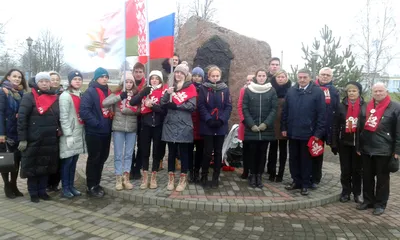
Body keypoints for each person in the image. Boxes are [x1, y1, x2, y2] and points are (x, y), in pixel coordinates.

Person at [356, 82, 400, 216]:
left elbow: (398, 132)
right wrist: (358, 146)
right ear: (372, 92)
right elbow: (359, 129)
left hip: (384, 149)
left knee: (382, 179)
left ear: (386, 91)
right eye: (375, 91)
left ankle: (380, 204)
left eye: (381, 91)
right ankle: (368, 200)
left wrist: (397, 151)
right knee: (367, 177)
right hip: (366, 148)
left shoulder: (395, 108)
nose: (378, 93)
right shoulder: (365, 107)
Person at [281, 69, 326, 196]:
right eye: (300, 77)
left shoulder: (317, 92)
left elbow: (322, 115)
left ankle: (305, 184)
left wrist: (318, 133)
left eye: (304, 77)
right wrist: (284, 128)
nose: (302, 80)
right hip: (293, 132)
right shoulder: (291, 91)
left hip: (309, 133)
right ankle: (296, 181)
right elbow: (285, 111)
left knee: (306, 160)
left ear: (310, 78)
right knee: (294, 159)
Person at [17, 72, 60, 203]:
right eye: (41, 81)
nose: (45, 83)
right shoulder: (28, 97)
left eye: (47, 81)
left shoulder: (54, 97)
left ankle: (42, 191)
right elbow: (22, 119)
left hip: (50, 139)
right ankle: (33, 192)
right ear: (36, 83)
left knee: (45, 166)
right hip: (34, 138)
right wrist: (23, 138)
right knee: (33, 167)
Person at [161, 64, 197, 192]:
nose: (178, 75)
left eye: (181, 73)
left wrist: (176, 106)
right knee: (171, 153)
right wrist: (167, 94)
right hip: (170, 123)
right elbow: (162, 102)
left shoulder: (191, 88)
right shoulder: (170, 86)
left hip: (184, 124)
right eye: (177, 72)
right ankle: (171, 178)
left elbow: (192, 106)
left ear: (185, 75)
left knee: (184, 153)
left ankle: (183, 178)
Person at [103, 72, 139, 191]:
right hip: (118, 127)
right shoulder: (117, 93)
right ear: (122, 83)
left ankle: (126, 177)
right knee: (118, 154)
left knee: (128, 154)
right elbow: (104, 103)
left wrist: (130, 111)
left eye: (130, 82)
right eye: (126, 82)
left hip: (131, 128)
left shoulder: (136, 95)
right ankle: (118, 178)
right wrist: (120, 97)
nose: (128, 84)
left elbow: (139, 110)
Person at [80, 67, 112, 198]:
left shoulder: (108, 92)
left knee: (102, 158)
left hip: (106, 131)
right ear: (96, 78)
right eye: (102, 76)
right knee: (94, 159)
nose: (104, 78)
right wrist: (97, 123)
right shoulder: (90, 92)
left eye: (106, 76)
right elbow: (84, 111)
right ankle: (90, 186)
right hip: (95, 132)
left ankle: (97, 183)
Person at [242, 69, 277, 188]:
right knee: (252, 153)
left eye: (263, 76)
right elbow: (245, 108)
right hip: (252, 128)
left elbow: (274, 109)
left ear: (266, 77)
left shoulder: (271, 90)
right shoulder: (249, 90)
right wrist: (251, 124)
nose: (261, 78)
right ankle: (252, 175)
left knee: (262, 154)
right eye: (259, 76)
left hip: (265, 129)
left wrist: (266, 124)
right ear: (256, 77)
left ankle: (259, 176)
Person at [198, 66, 232, 188]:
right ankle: (204, 176)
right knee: (207, 152)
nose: (215, 78)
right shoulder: (203, 88)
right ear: (209, 76)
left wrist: (222, 119)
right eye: (213, 76)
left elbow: (228, 106)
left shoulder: (225, 89)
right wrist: (208, 119)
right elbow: (201, 105)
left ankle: (215, 178)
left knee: (218, 152)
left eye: (217, 76)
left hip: (220, 126)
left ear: (220, 76)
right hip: (208, 125)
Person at [130, 70, 165, 189]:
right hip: (145, 125)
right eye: (152, 78)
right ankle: (145, 177)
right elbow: (132, 102)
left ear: (160, 80)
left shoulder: (164, 91)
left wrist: (153, 106)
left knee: (156, 152)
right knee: (145, 151)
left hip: (158, 125)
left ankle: (153, 176)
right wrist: (141, 94)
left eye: (156, 78)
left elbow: (165, 110)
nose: (154, 80)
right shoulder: (145, 91)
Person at [331, 81, 364, 204]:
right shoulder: (341, 106)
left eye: (354, 91)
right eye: (349, 91)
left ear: (359, 92)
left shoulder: (364, 106)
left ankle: (357, 193)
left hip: (358, 143)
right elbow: (335, 125)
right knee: (345, 169)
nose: (351, 93)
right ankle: (345, 192)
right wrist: (334, 142)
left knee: (357, 170)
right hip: (344, 142)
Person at [58, 70, 86, 198]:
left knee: (74, 161)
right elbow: (63, 117)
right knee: (67, 162)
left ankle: (71, 186)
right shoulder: (65, 96)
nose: (78, 81)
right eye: (75, 79)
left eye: (79, 79)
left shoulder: (80, 94)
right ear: (70, 81)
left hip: (78, 132)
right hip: (70, 134)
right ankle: (65, 187)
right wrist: (68, 134)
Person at [0, 69, 27, 198]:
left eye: (19, 77)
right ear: (8, 77)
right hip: (5, 131)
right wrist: (1, 133)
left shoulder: (20, 93)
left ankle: (14, 184)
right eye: (14, 76)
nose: (17, 79)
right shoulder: (3, 91)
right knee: (6, 159)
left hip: (17, 130)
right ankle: (6, 185)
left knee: (16, 160)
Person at [312, 67, 340, 188]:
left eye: (328, 75)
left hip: (325, 127)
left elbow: (336, 109)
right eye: (323, 74)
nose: (325, 77)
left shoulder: (334, 91)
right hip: (312, 126)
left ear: (331, 77)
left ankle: (315, 178)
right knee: (308, 153)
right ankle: (306, 175)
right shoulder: (312, 88)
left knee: (318, 153)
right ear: (318, 75)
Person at [268, 70, 291, 182]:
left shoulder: (291, 91)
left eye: (283, 77)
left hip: (284, 124)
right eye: (279, 77)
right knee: (272, 149)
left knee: (283, 150)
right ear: (275, 78)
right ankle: (271, 172)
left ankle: (280, 173)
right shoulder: (270, 89)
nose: (281, 79)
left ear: (286, 78)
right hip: (272, 123)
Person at [188, 67, 205, 183]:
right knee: (189, 149)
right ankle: (190, 171)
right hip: (189, 122)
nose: (197, 78)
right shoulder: (188, 88)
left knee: (200, 150)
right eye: (195, 75)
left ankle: (197, 170)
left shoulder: (205, 89)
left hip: (202, 123)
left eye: (199, 76)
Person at [47, 71, 63, 192]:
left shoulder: (63, 94)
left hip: (60, 131)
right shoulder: (42, 94)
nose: (55, 81)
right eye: (52, 79)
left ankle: (55, 183)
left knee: (58, 159)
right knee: (48, 158)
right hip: (47, 131)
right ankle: (46, 183)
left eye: (57, 79)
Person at [130, 62, 147, 180]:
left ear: (143, 73)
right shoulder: (129, 84)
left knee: (142, 145)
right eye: (136, 71)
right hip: (131, 117)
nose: (138, 74)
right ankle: (130, 167)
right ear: (133, 72)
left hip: (143, 119)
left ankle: (138, 168)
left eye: (140, 72)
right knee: (131, 145)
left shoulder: (146, 85)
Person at [238, 74, 254, 179]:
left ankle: (254, 171)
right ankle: (245, 171)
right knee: (246, 149)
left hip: (256, 125)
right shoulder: (243, 90)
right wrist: (244, 120)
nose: (249, 82)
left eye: (251, 80)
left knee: (254, 151)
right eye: (247, 80)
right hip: (245, 124)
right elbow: (240, 106)